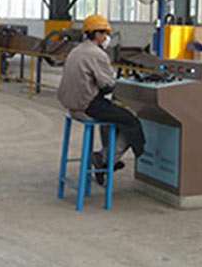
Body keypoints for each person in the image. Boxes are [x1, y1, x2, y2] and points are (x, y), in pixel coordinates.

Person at [57, 14, 145, 185]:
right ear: (96, 34)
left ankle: (108, 159)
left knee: (112, 117)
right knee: (132, 122)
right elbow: (108, 86)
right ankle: (104, 159)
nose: (106, 37)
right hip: (87, 104)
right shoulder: (96, 54)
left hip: (72, 103)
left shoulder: (76, 50)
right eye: (104, 33)